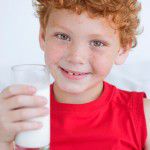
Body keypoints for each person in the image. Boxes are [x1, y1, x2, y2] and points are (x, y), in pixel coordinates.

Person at [0, 0, 150, 149]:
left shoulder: (143, 116)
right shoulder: (14, 116)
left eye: (97, 43)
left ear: (122, 50)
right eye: (63, 36)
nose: (76, 57)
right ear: (43, 36)